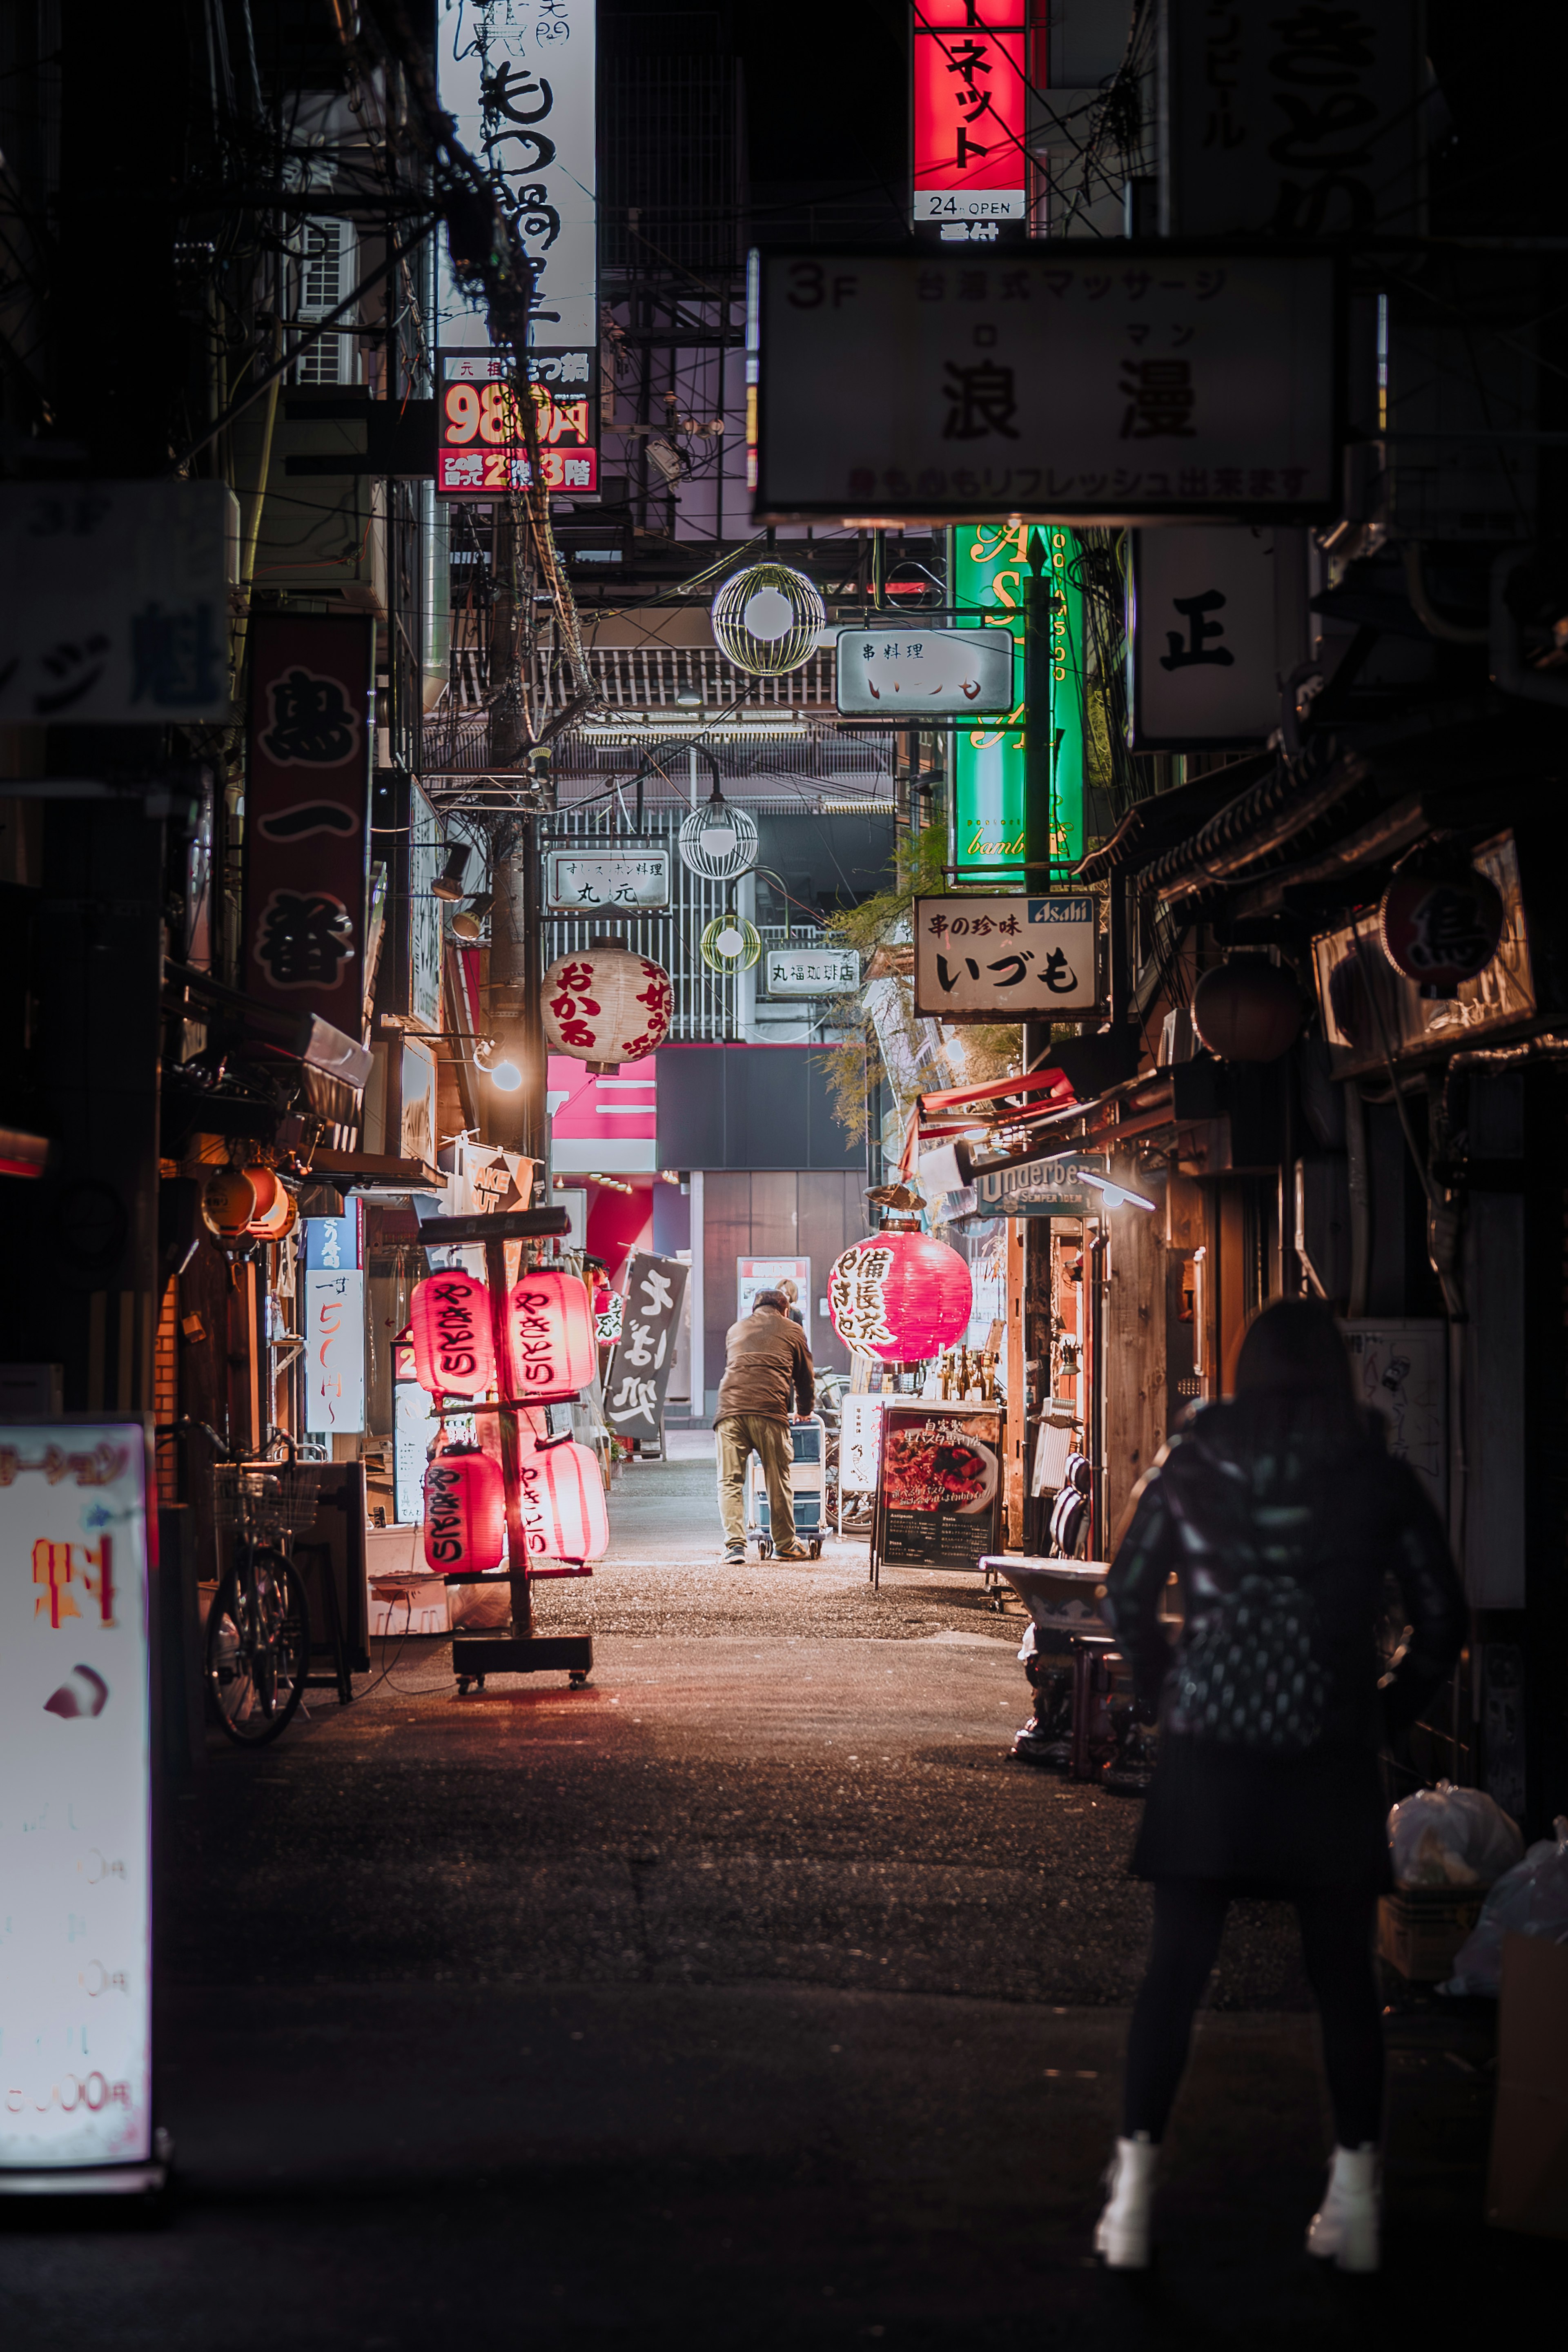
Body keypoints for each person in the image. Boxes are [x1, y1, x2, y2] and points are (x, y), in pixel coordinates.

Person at [1093, 1298, 1464, 2275]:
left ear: (1243, 1366)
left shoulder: (1195, 1458)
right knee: (1343, 1981)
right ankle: (1354, 2208)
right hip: (1328, 1753)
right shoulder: (1374, 1472)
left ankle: (1128, 2207)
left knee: (1173, 1973)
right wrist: (1380, 1715)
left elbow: (1126, 1589)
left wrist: (1169, 1692)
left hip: (1207, 1754)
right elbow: (1441, 1616)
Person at [715, 1287, 814, 1564]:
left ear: (754, 1309)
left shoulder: (736, 1329)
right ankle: (785, 1545)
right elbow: (805, 1377)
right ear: (785, 1311)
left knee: (730, 1481)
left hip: (730, 1409)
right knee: (777, 1478)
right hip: (769, 1410)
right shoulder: (793, 1330)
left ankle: (734, 1547)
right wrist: (804, 1411)